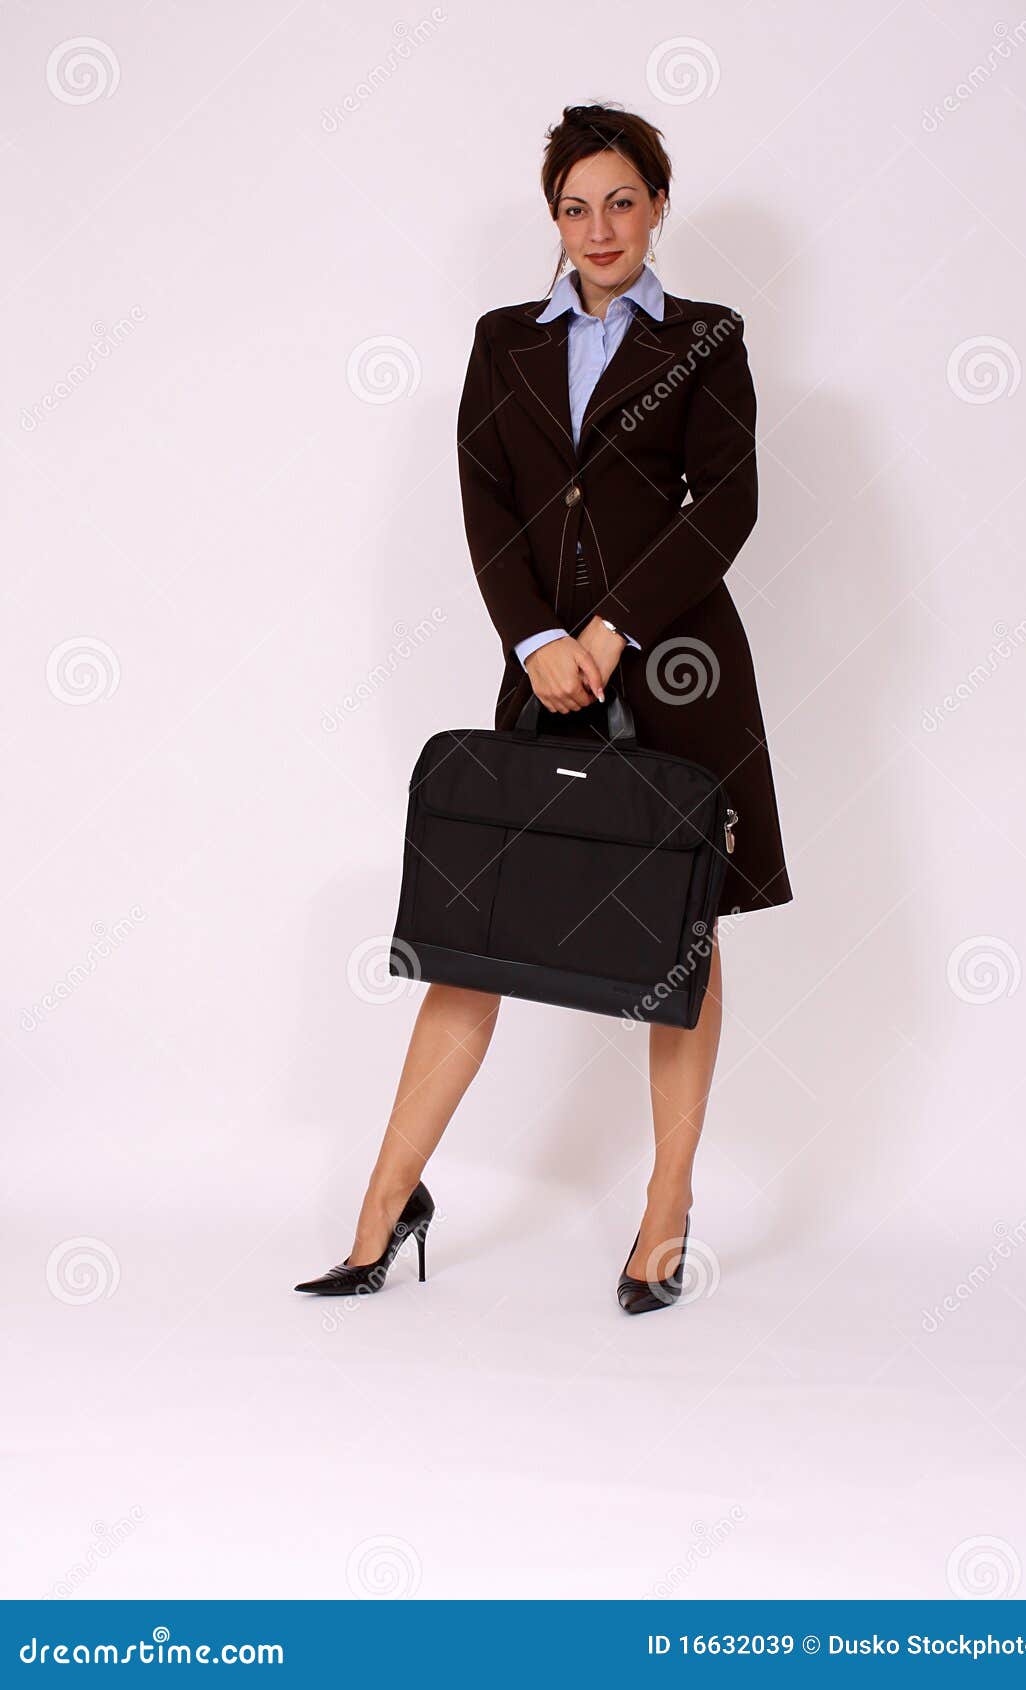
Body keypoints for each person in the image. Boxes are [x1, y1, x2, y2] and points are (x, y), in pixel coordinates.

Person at [295, 102, 792, 1314]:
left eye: (621, 200)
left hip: (673, 672)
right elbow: (487, 500)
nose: (599, 226)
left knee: (682, 934)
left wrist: (611, 631)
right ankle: (381, 1208)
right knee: (478, 938)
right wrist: (534, 641)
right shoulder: (503, 337)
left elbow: (721, 505)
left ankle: (664, 1211)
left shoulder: (706, 338)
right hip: (543, 670)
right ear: (554, 219)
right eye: (575, 207)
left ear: (658, 204)